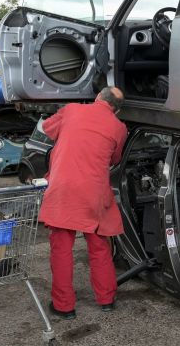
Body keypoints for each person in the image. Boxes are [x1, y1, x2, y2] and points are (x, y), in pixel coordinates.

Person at [38, 87, 128, 319]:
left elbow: (46, 128)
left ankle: (64, 306)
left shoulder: (72, 110)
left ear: (98, 97)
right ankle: (106, 299)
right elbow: (114, 159)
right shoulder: (119, 128)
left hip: (64, 189)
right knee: (99, 246)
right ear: (116, 111)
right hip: (95, 193)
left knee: (61, 248)